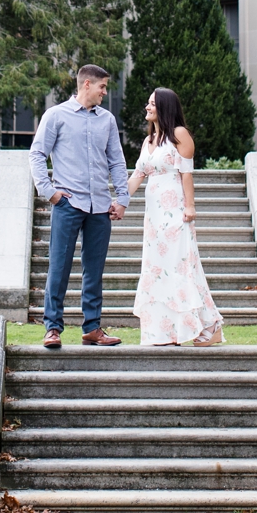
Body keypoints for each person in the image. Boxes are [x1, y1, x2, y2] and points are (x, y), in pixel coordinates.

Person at [29, 64, 128, 349]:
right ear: (87, 84)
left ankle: (92, 328)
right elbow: (37, 154)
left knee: (94, 269)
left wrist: (121, 199)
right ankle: (52, 329)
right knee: (58, 267)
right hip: (68, 204)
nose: (105, 92)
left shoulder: (107, 120)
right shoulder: (56, 115)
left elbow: (117, 162)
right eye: (102, 87)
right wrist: (49, 192)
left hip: (99, 206)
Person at [127, 87, 224, 346]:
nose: (147, 108)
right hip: (154, 218)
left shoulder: (179, 135)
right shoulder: (149, 142)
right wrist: (119, 202)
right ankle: (166, 332)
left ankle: (210, 325)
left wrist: (190, 206)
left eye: (152, 104)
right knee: (157, 270)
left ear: (164, 107)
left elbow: (186, 174)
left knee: (180, 268)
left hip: (176, 213)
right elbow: (137, 175)